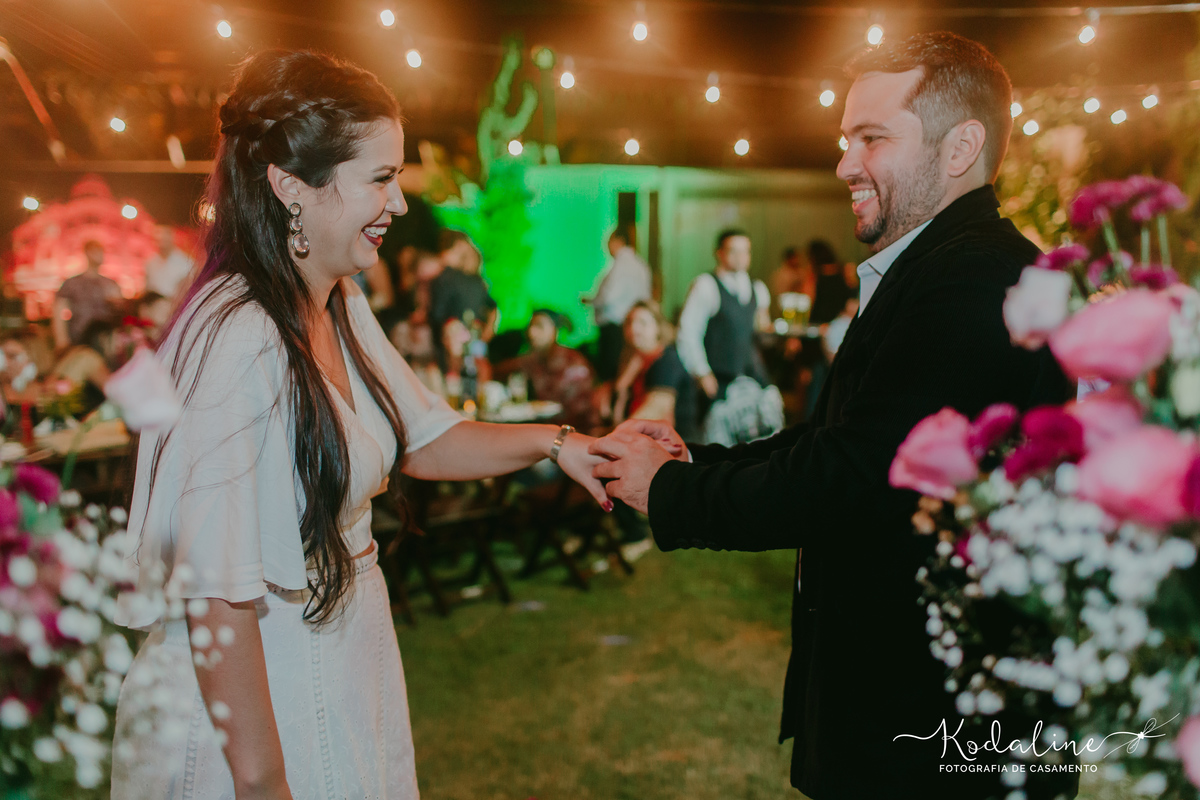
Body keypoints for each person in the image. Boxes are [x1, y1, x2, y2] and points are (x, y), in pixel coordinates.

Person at [590, 32, 1077, 800]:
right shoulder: (939, 266)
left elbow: (856, 476)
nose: (845, 163)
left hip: (938, 733)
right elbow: (840, 439)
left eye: (871, 138)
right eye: (846, 139)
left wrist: (673, 493)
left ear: (960, 148)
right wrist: (695, 460)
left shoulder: (978, 281)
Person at [111, 50, 609, 800]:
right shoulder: (239, 336)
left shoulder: (338, 299)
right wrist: (263, 782)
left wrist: (563, 443)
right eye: (380, 178)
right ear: (291, 186)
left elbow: (425, 436)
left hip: (340, 657)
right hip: (258, 698)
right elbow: (214, 591)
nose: (400, 203)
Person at [675, 229, 772, 403]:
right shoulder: (706, 285)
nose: (740, 257)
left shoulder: (757, 288)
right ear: (719, 253)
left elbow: (763, 331)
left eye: (745, 251)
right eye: (734, 251)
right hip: (719, 379)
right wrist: (702, 372)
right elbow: (688, 332)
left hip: (751, 377)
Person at [493, 309, 599, 431]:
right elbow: (499, 370)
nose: (532, 332)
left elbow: (582, 412)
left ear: (555, 331)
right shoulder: (533, 359)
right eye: (530, 326)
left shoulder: (573, 363)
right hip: (543, 429)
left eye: (540, 326)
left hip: (573, 432)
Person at [611, 301, 697, 442]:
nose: (634, 329)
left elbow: (656, 409)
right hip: (639, 438)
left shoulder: (666, 360)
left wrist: (614, 436)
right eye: (630, 322)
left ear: (658, 327)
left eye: (643, 323)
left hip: (675, 444)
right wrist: (621, 387)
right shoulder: (632, 361)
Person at [587, 228, 652, 382]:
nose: (606, 246)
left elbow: (608, 297)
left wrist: (593, 301)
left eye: (609, 241)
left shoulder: (620, 266)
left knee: (611, 373)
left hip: (614, 329)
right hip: (634, 326)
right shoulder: (641, 266)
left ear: (619, 241)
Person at [429, 229, 496, 351]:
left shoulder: (473, 281)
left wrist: (488, 329)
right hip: (459, 342)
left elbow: (492, 307)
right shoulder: (450, 276)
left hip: (465, 342)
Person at [53, 240, 124, 352]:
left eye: (101, 251)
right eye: (96, 251)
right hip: (79, 338)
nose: (101, 255)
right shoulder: (72, 283)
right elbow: (59, 311)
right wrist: (61, 340)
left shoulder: (109, 284)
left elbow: (119, 313)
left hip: (105, 341)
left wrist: (117, 302)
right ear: (88, 252)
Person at [806, 239, 857, 326]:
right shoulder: (843, 270)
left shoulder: (815, 274)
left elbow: (810, 298)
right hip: (839, 319)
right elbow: (852, 292)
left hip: (819, 320)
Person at [143, 224, 195, 299]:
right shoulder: (150, 263)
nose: (161, 240)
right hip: (153, 303)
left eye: (164, 237)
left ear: (172, 237)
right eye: (158, 238)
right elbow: (147, 288)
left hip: (176, 303)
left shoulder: (186, 263)